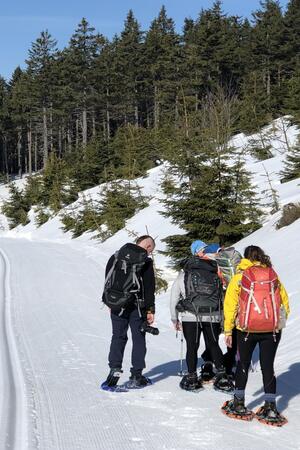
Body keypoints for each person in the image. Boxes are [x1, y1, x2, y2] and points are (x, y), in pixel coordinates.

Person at [222, 245, 290, 425]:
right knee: (268, 366)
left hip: (246, 329)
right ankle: (270, 407)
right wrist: (277, 324)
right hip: (271, 330)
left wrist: (228, 330)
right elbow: (284, 302)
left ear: (245, 258)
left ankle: (238, 403)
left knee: (243, 363)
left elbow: (230, 306)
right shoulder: (272, 275)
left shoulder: (239, 277)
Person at [170, 240, 233, 392]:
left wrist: (175, 317)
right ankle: (222, 376)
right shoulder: (215, 270)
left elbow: (174, 297)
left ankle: (192, 377)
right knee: (213, 344)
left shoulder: (184, 273)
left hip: (190, 315)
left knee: (192, 346)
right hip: (213, 314)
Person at [102, 235, 156, 388]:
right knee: (138, 338)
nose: (150, 253)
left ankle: (114, 370)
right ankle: (136, 376)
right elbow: (149, 288)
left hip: (116, 303)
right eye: (151, 250)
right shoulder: (145, 261)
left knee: (118, 336)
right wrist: (150, 309)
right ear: (148, 246)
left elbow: (108, 278)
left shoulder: (117, 255)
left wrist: (110, 301)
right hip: (136, 306)